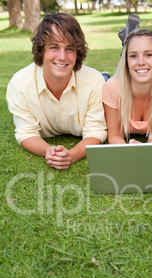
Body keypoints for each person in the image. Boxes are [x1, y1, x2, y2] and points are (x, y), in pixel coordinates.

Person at [6, 13, 107, 170]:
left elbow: (96, 131)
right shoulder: (19, 84)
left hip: (99, 82)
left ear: (77, 52)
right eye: (54, 47)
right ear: (41, 50)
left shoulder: (94, 81)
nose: (62, 57)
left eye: (70, 48)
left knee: (109, 86)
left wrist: (72, 155)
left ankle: (106, 77)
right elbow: (25, 133)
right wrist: (49, 151)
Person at [102, 29, 152, 144]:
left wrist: (144, 149)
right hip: (115, 83)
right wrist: (128, 149)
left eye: (148, 55)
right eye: (133, 56)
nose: (141, 62)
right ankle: (104, 76)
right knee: (104, 81)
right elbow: (114, 135)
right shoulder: (113, 86)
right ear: (126, 61)